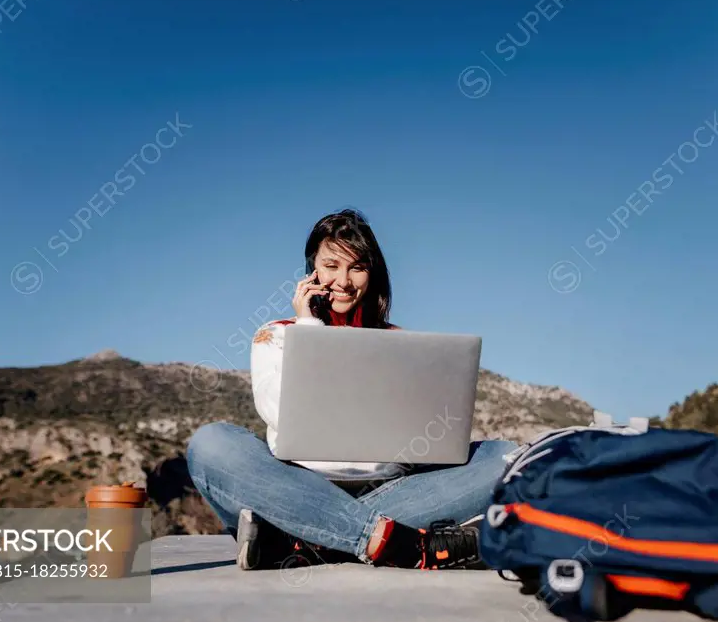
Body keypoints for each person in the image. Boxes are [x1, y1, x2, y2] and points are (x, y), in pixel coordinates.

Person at [186, 209, 518, 571]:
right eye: (331, 266)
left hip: (390, 492)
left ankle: (305, 541)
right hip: (295, 486)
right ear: (312, 268)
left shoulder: (400, 343)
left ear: (371, 273)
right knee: (211, 444)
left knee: (506, 457)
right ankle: (388, 542)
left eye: (356, 267)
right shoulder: (278, 334)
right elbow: (280, 411)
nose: (343, 281)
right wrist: (308, 326)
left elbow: (425, 443)